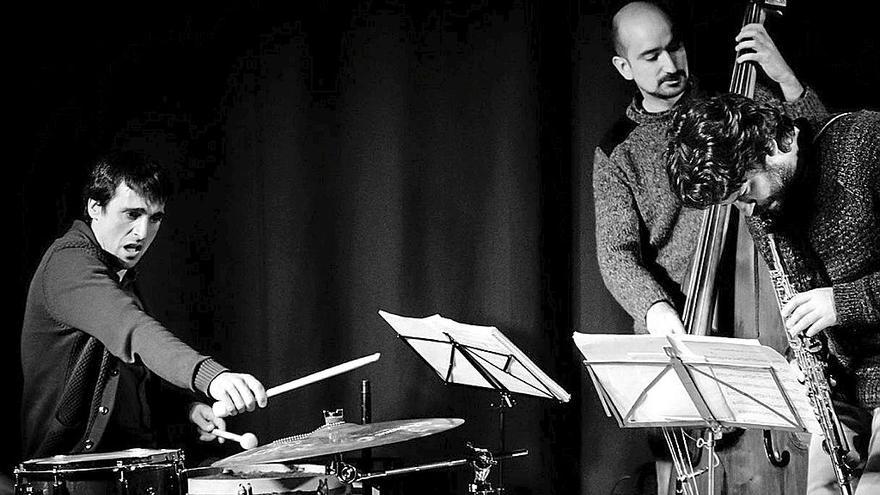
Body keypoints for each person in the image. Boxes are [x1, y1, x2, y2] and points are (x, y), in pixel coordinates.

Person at [666, 93, 879, 494]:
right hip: (844, 385)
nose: (748, 209)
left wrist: (841, 302)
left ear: (773, 145)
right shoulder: (765, 211)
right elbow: (806, 319)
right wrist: (798, 363)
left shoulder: (865, 143)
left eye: (745, 191)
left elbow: (833, 306)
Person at [593, 1, 825, 335]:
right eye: (651, 55)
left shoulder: (735, 101)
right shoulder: (618, 151)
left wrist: (787, 79)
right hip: (679, 318)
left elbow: (822, 143)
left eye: (675, 47)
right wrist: (654, 309)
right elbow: (616, 253)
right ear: (624, 66)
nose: (670, 64)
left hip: (767, 306)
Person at [20, 150, 268, 460]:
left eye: (155, 218)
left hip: (130, 464)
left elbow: (136, 377)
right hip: (68, 474)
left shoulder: (120, 274)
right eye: (132, 214)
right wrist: (212, 377)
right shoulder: (68, 264)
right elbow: (134, 330)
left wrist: (188, 410)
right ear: (94, 208)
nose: (142, 233)